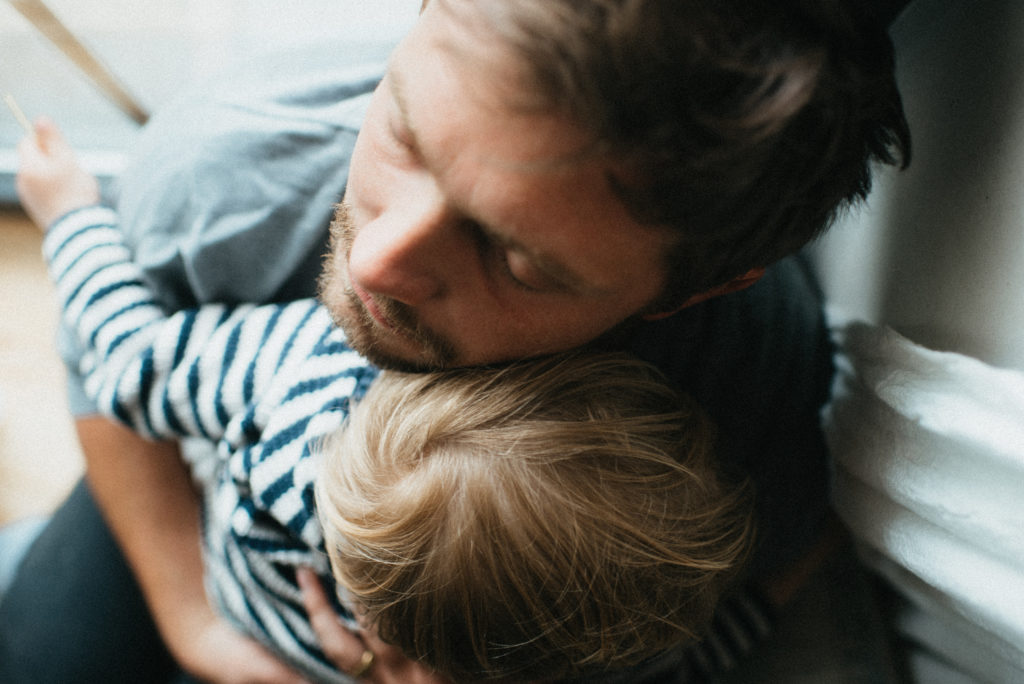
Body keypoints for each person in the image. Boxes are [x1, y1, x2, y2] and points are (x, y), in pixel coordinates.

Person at [0, 0, 911, 682]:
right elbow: (107, 361)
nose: (378, 262)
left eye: (519, 259)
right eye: (404, 134)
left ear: (695, 289)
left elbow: (733, 608)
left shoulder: (748, 385)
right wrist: (192, 623)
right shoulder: (225, 176)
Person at [22, 142, 753, 682]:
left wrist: (69, 217)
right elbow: (130, 364)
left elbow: (130, 364)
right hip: (224, 607)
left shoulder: (594, 625)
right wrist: (73, 218)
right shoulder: (294, 382)